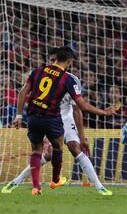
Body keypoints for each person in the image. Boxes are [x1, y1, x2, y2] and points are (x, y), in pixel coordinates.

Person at [2, 51, 112, 196]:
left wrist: (82, 136)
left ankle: (99, 187)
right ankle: (16, 182)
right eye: (51, 59)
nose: (52, 61)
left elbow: (77, 109)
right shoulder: (46, 74)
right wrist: (104, 112)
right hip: (49, 118)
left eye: (54, 59)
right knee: (47, 154)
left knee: (74, 147)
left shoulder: (71, 80)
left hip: (64, 119)